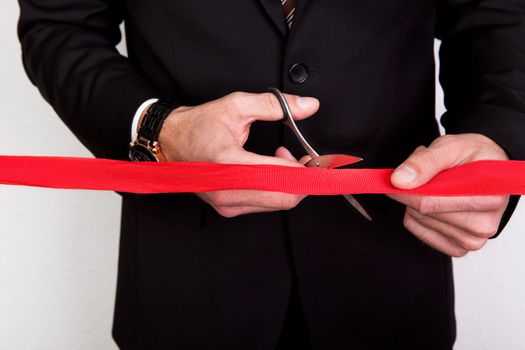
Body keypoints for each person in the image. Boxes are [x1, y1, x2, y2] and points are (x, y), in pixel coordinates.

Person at [17, 0, 525, 349]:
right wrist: (160, 130)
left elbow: (499, 16)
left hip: (393, 277)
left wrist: (497, 139)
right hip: (186, 291)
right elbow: (61, 26)